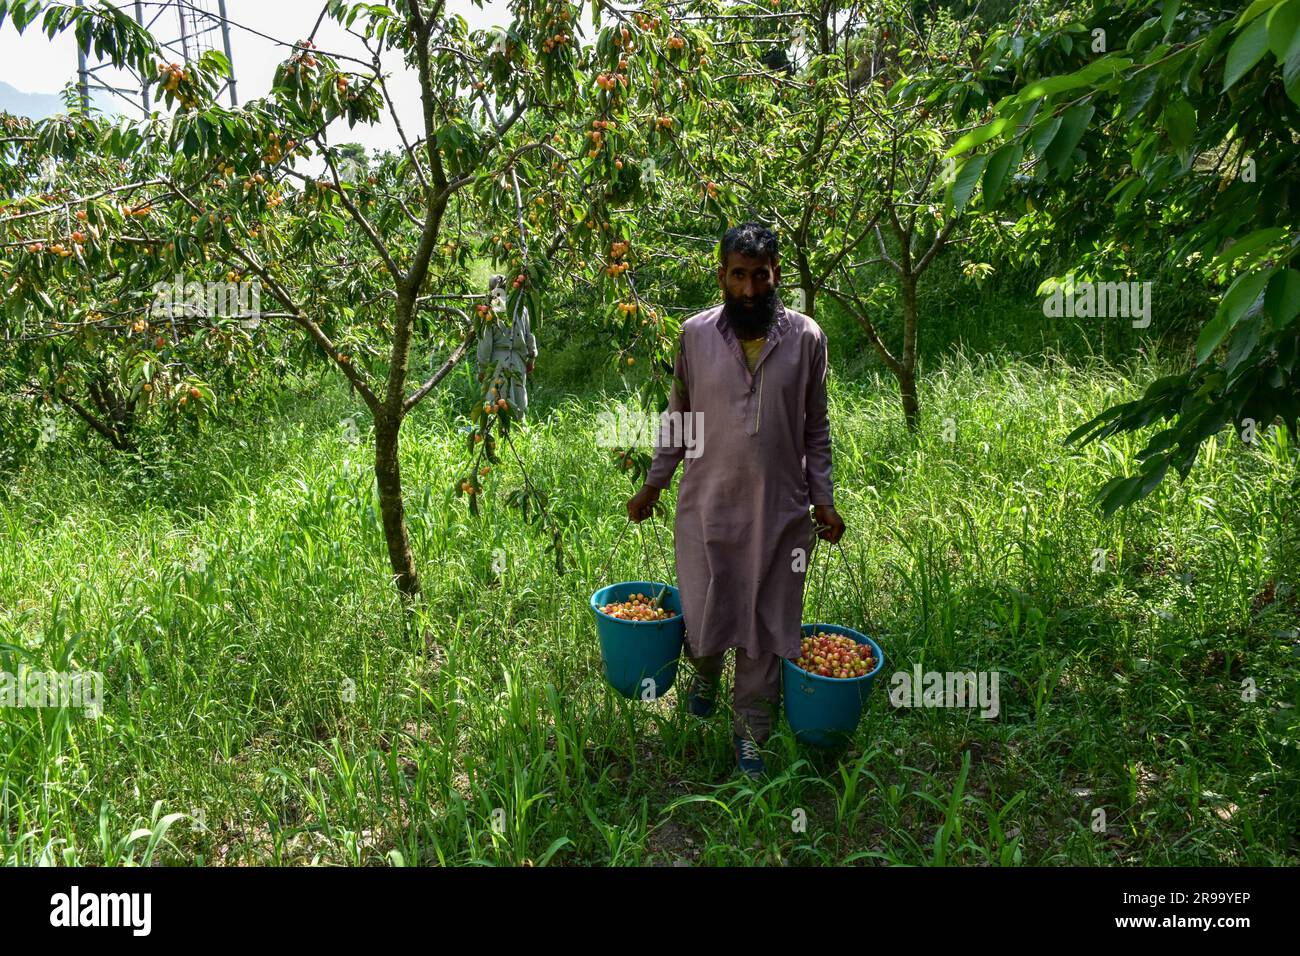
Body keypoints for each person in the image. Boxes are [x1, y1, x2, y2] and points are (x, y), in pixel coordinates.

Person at [626, 222, 845, 780]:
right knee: (704, 609)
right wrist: (654, 483)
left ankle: (751, 734)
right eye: (739, 276)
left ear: (777, 276)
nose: (751, 289)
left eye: (762, 276)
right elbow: (680, 417)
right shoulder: (695, 336)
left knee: (767, 624)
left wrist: (823, 499)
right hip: (707, 505)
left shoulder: (806, 338)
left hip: (781, 512)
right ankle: (703, 671)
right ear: (722, 276)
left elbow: (816, 428)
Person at [476, 273, 537, 420]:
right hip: (518, 361)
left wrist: (482, 368)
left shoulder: (490, 310)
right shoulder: (520, 307)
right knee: (518, 400)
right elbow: (530, 336)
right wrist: (531, 359)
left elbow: (485, 344)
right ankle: (519, 432)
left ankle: (497, 433)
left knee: (496, 400)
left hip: (496, 361)